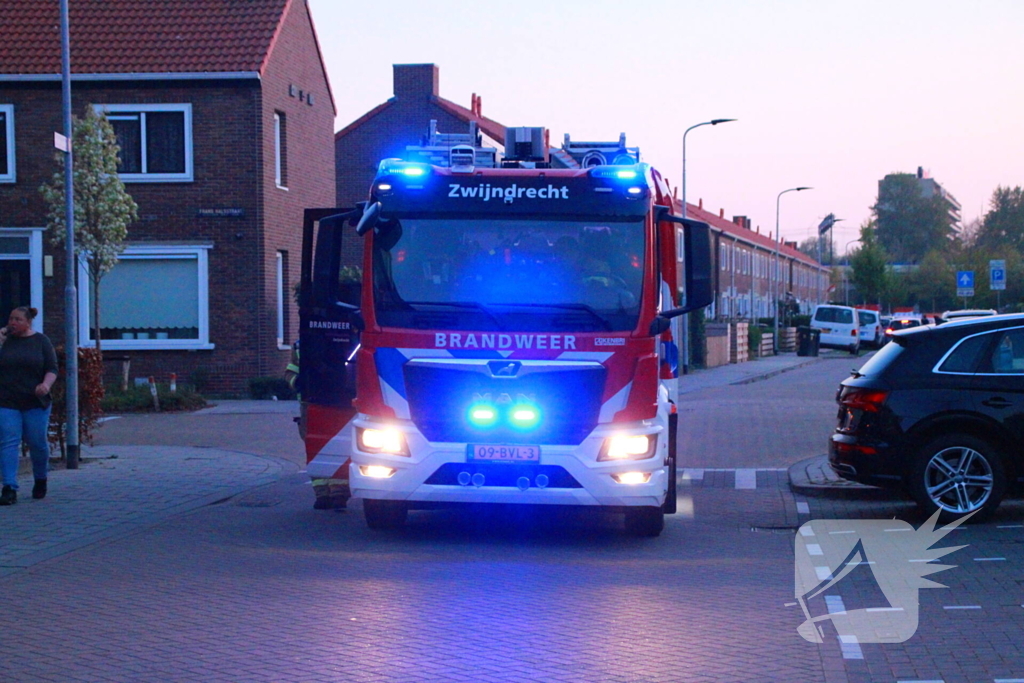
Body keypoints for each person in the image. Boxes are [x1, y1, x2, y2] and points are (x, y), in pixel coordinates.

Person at [0, 306, 59, 505]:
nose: (12, 323)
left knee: (37, 442)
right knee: (9, 441)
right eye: (10, 319)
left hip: (35, 401)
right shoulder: (5, 341)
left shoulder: (41, 341)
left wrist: (45, 385)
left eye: (17, 319)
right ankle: (9, 487)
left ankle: (40, 478)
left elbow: (52, 368)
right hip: (7, 400)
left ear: (28, 322)